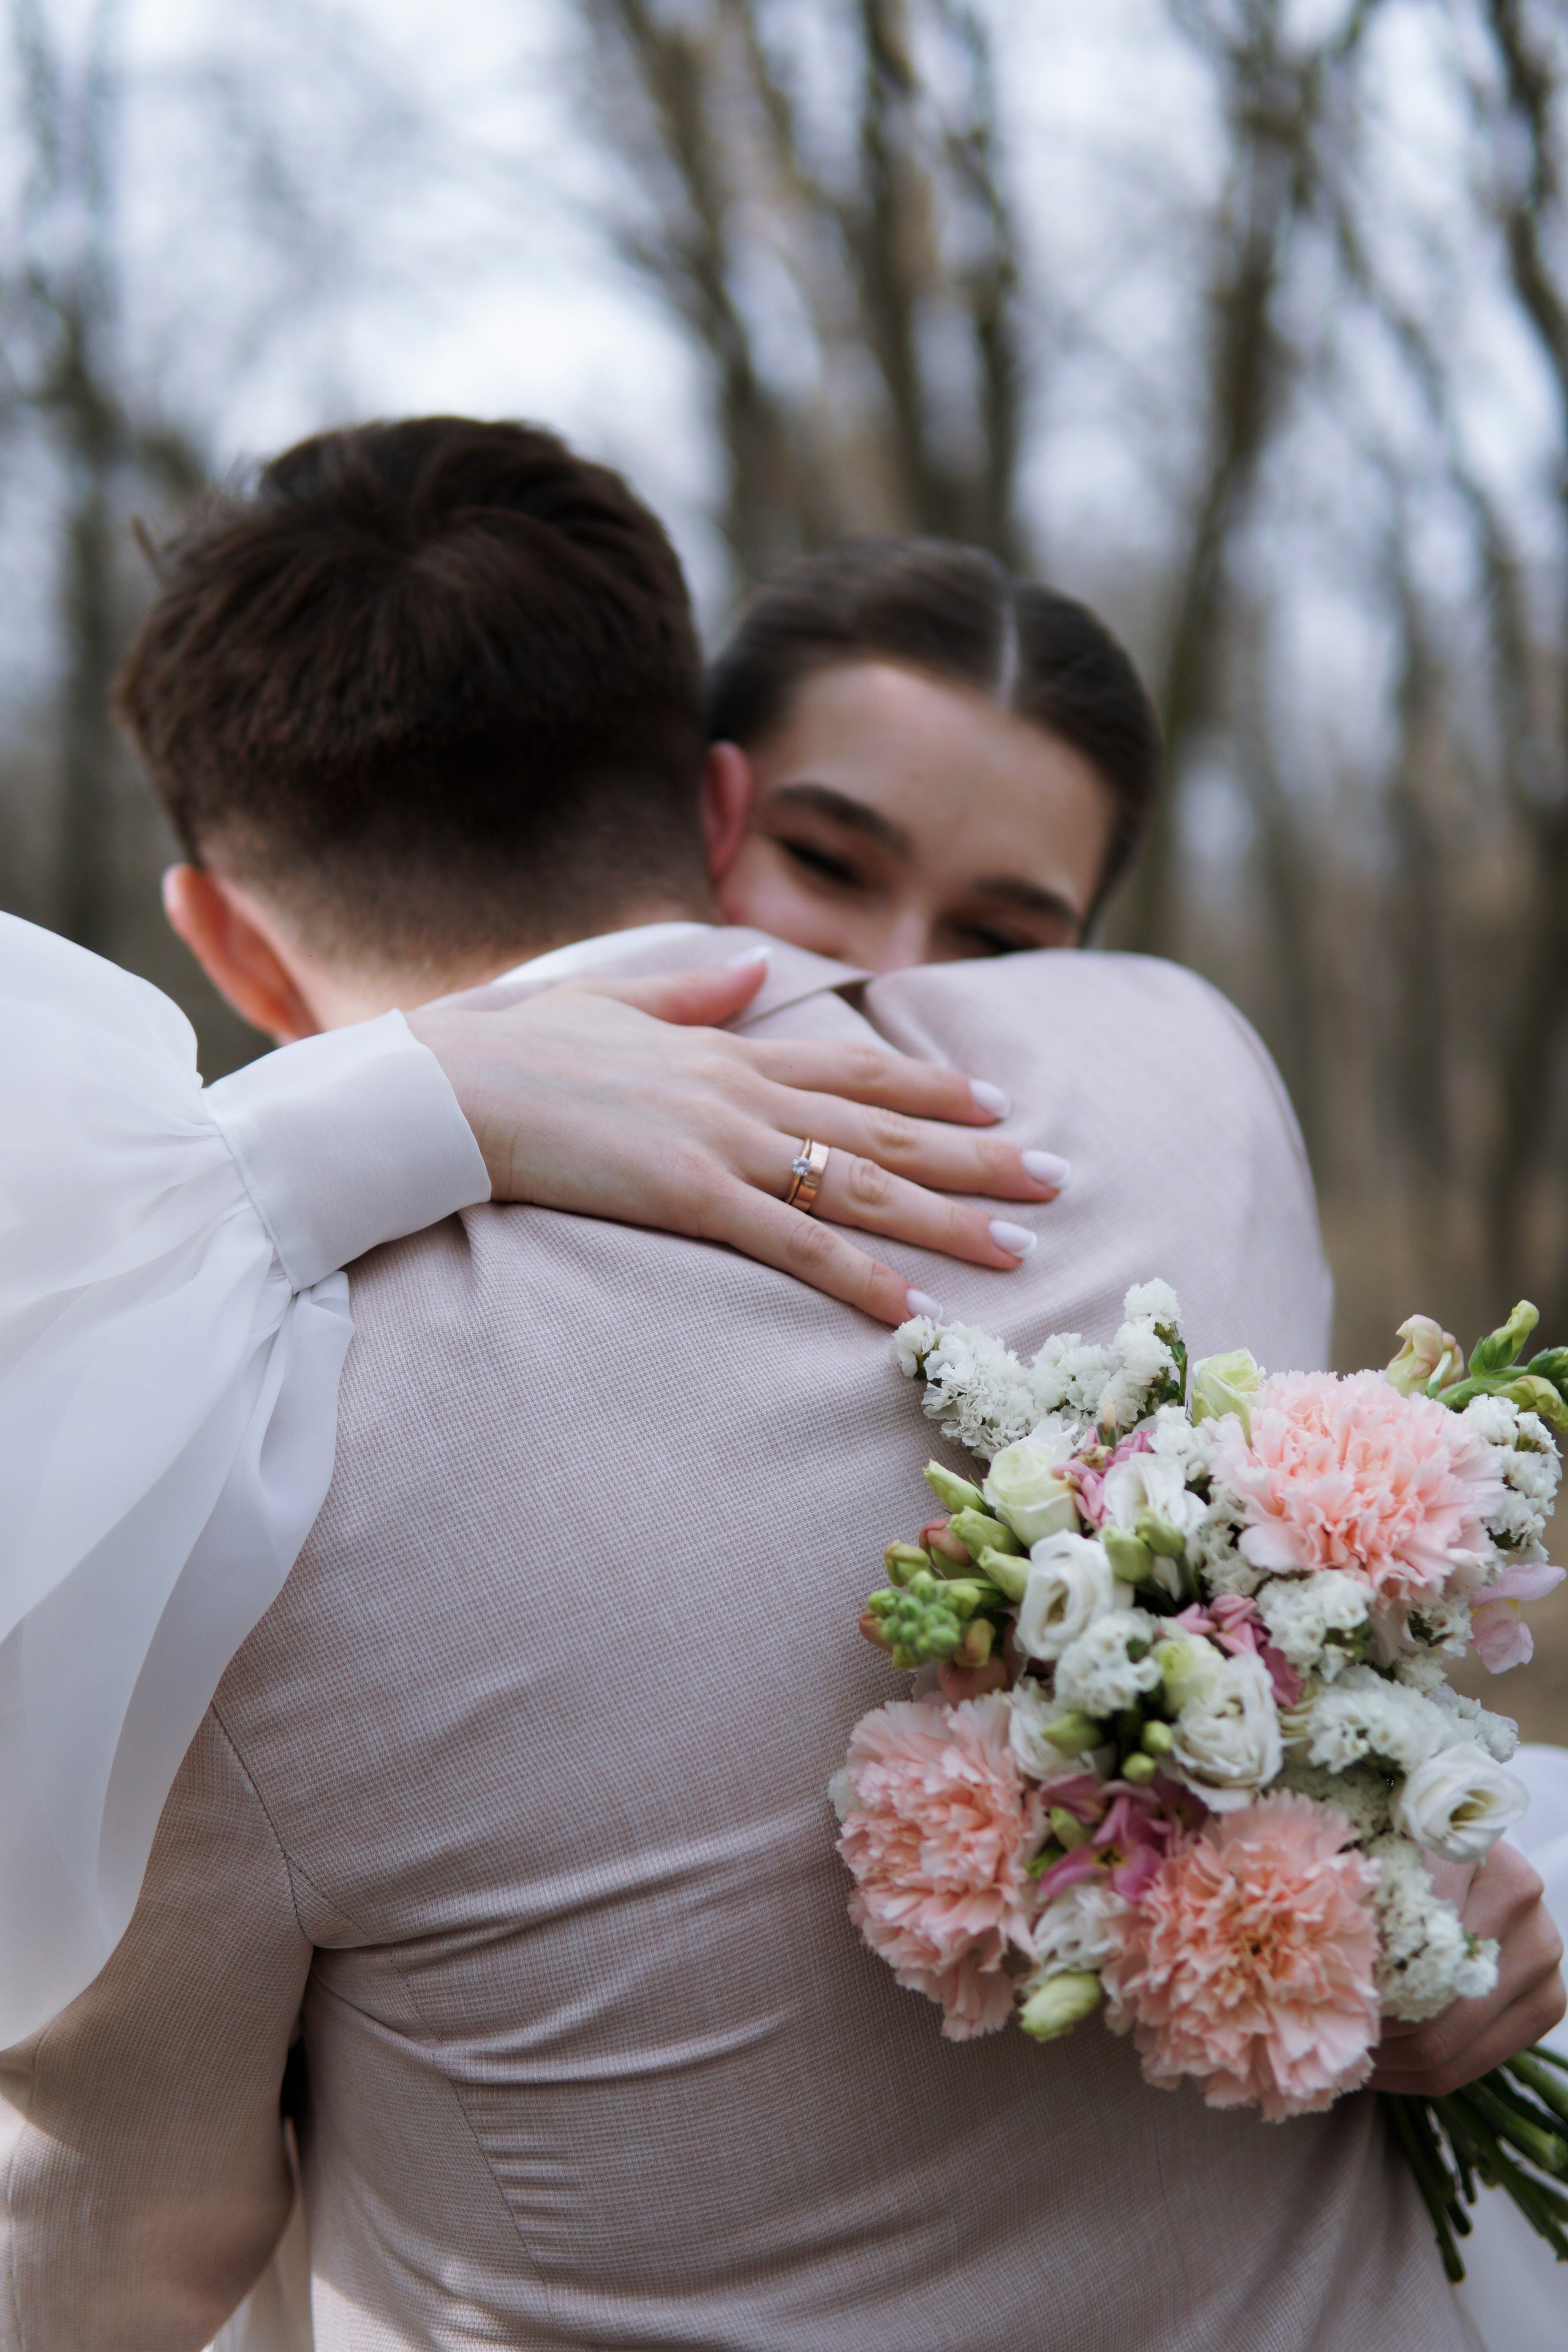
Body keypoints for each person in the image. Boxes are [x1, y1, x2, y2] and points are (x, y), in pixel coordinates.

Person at [3, 422, 1559, 2348]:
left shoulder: (210, 1456)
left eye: (1004, 924)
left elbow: (89, 2262)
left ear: (223, 936)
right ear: (716, 806)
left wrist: (375, 1116)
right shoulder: (1184, 1073)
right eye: (838, 858)